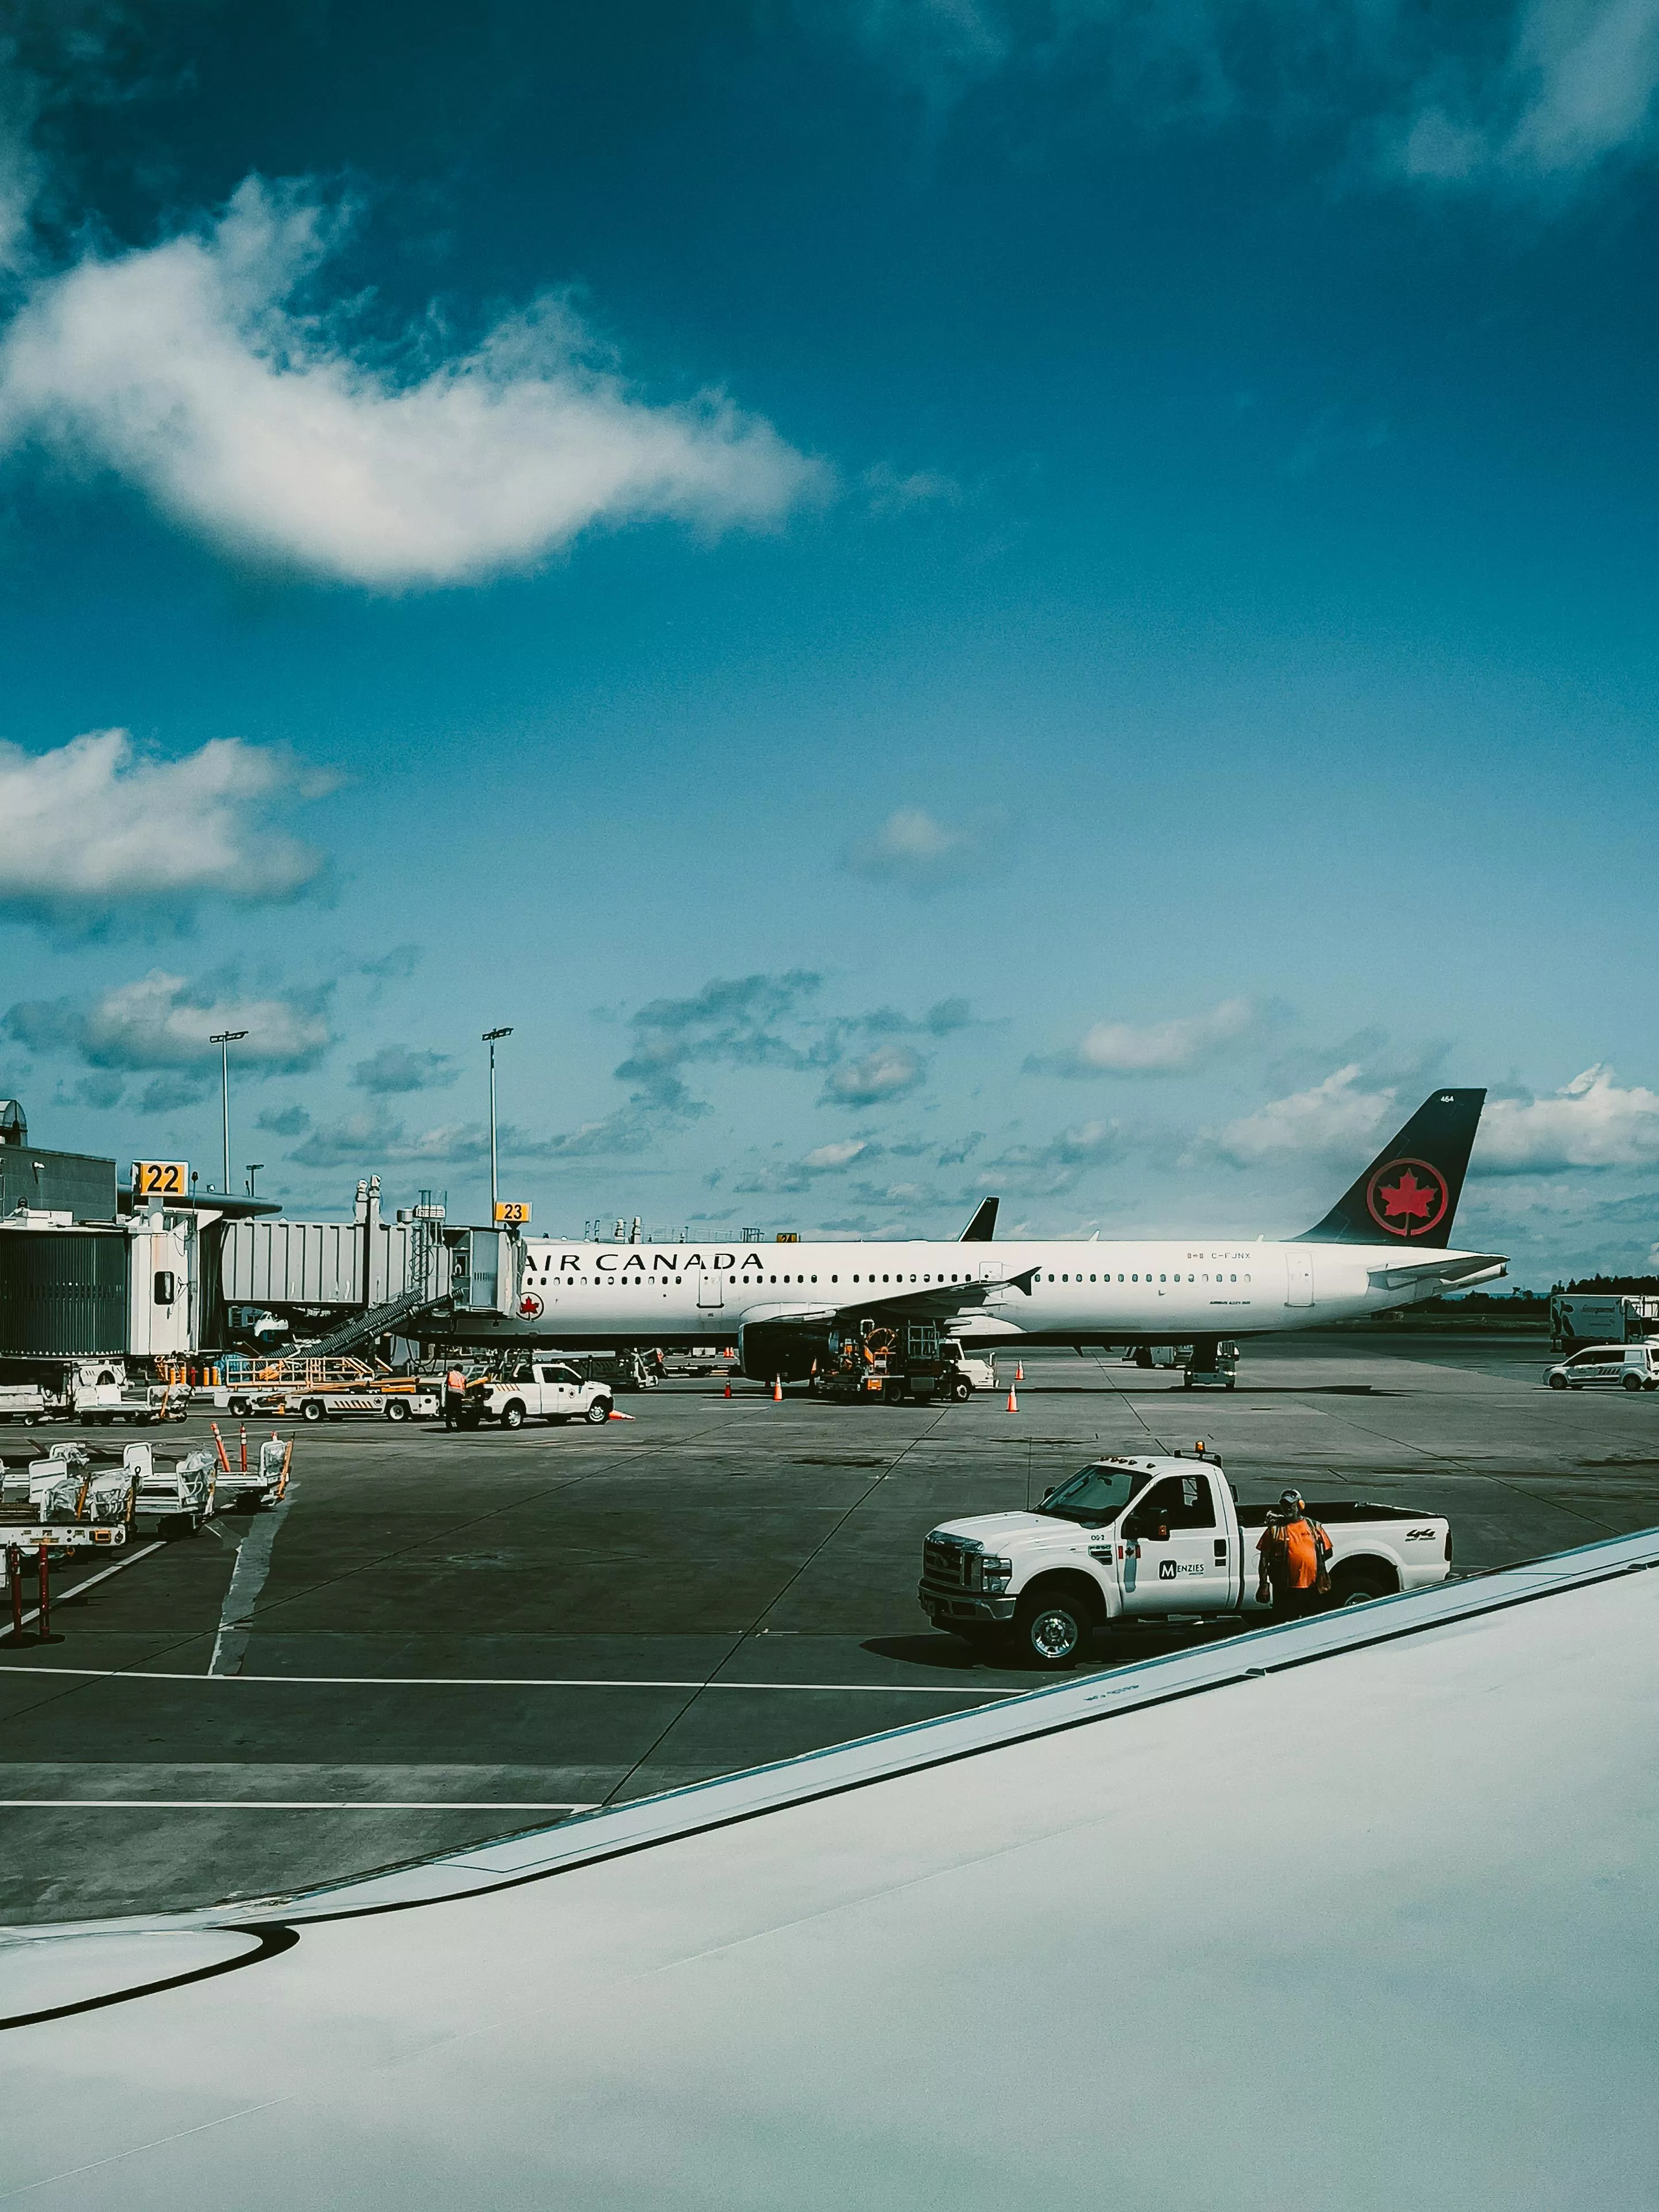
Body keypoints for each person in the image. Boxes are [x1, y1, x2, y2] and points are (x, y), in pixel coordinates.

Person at [1256, 1489, 1332, 1620]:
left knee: (1312, 1624)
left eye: (1291, 1504)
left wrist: (1312, 1565)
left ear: (1300, 1505)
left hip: (1312, 1588)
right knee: (1286, 1626)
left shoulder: (1314, 1526)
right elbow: (1264, 1560)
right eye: (1284, 1505)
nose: (1287, 1508)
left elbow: (1328, 1552)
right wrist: (1264, 1585)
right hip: (1285, 1590)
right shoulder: (1274, 1530)